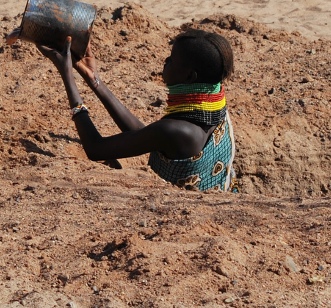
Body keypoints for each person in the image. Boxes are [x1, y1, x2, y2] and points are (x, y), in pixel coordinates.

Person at [15, 28, 239, 192]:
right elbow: (148, 136)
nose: (165, 61)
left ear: (190, 76)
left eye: (172, 59)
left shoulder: (179, 130)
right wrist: (95, 82)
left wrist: (66, 75)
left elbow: (95, 149)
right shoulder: (214, 106)